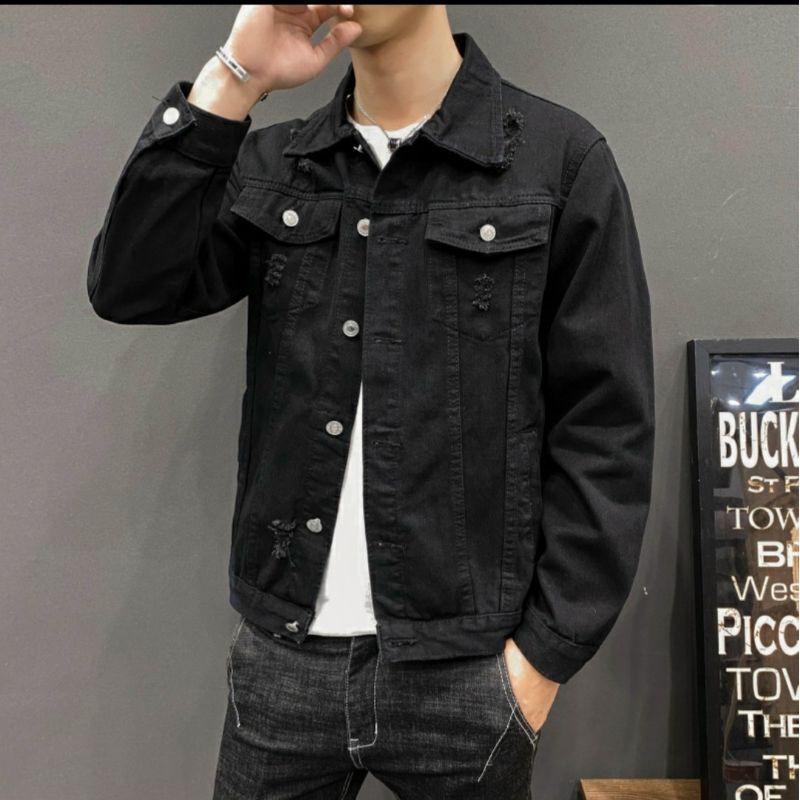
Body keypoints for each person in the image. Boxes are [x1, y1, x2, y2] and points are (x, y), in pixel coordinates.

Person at [86, 5, 655, 798]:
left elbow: (606, 427)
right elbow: (132, 285)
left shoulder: (556, 163)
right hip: (284, 660)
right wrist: (234, 78)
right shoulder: (280, 164)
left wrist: (541, 660)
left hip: (467, 671)